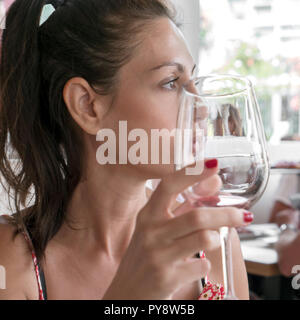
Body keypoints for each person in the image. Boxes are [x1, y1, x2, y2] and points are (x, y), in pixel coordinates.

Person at [0, 0, 251, 300]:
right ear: (88, 106)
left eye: (192, 80)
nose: (201, 110)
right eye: (171, 82)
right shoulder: (11, 258)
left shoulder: (211, 238)